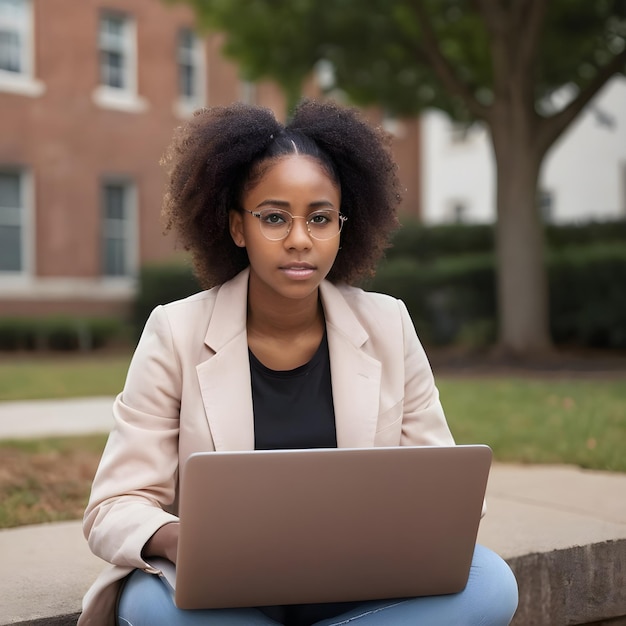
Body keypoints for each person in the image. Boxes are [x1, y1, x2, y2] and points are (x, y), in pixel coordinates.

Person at [78, 99, 518, 626]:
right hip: (229, 590)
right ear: (237, 227)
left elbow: (448, 492)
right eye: (273, 218)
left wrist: (420, 528)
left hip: (359, 581)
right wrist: (184, 540)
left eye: (319, 218)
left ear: (341, 226)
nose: (299, 240)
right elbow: (113, 507)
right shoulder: (175, 332)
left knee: (491, 583)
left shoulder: (388, 325)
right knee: (154, 610)